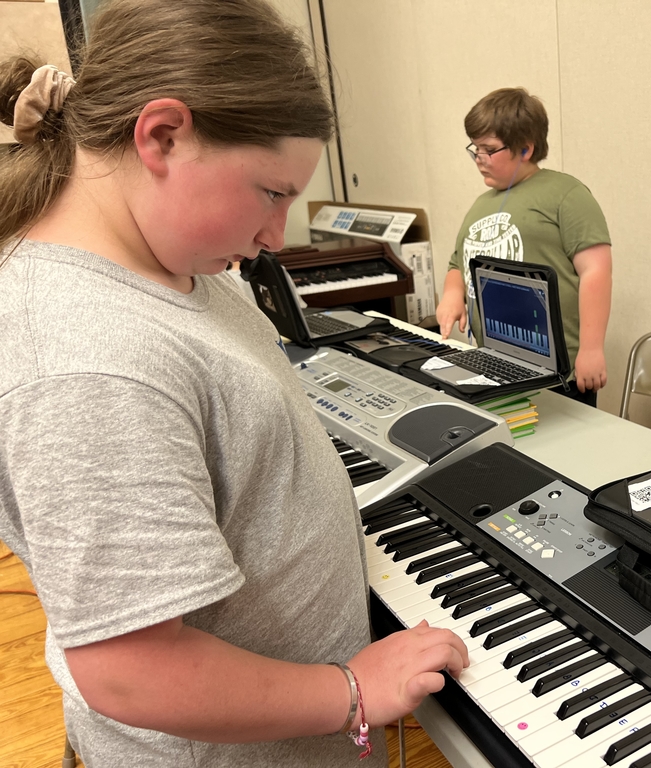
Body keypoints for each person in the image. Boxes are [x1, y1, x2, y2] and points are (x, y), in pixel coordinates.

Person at [0, 2, 468, 766]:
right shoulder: (86, 362)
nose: (274, 239)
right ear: (162, 136)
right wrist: (350, 690)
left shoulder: (174, 261)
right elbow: (130, 671)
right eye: (272, 193)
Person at [435, 87, 613, 407]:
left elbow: (596, 270)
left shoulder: (566, 193)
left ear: (525, 149)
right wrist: (452, 294)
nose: (478, 158)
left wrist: (591, 349)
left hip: (558, 373)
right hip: (498, 362)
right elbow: (456, 263)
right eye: (474, 148)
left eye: (489, 149)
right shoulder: (481, 204)